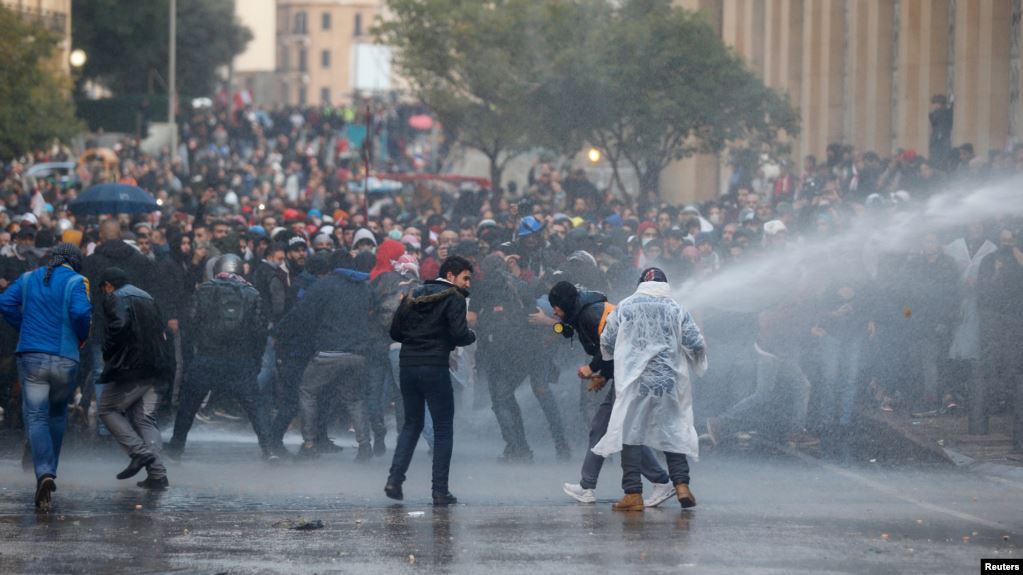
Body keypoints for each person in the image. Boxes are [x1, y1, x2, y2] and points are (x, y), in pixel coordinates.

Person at [549, 280, 677, 509]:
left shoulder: (590, 314)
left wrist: (593, 368)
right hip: (624, 373)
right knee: (601, 427)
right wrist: (605, 375)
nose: (554, 311)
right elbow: (611, 351)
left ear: (565, 303)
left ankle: (661, 481)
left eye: (556, 306)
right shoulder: (585, 312)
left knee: (623, 431)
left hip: (632, 374)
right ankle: (587, 486)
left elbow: (615, 345)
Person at [593, 268, 706, 511]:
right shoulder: (676, 308)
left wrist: (616, 355)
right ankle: (682, 485)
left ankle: (633, 494)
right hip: (669, 383)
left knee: (630, 434)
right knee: (673, 431)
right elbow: (696, 342)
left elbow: (607, 340)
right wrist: (695, 362)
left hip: (635, 383)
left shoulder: (625, 306)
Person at [0, 243, 91, 509]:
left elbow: (5, 302)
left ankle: (44, 472)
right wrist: (81, 336)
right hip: (65, 358)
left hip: (31, 357)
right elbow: (81, 313)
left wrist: (23, 325)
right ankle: (52, 469)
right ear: (74, 261)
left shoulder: (29, 278)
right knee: (57, 414)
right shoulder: (76, 281)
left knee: (36, 415)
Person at [385, 255, 476, 506]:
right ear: (450, 276)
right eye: (465, 278)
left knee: (411, 424)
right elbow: (459, 335)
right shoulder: (454, 297)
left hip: (408, 367)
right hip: (435, 367)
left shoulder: (414, 294)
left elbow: (395, 332)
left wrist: (417, 337)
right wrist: (470, 335)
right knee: (443, 428)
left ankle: (394, 480)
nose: (468, 283)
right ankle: (440, 491)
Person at [167, 255, 273, 461]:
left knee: (188, 405)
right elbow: (259, 332)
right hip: (240, 359)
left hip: (207, 357)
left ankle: (176, 448)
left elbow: (190, 323)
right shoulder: (252, 293)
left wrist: (194, 355)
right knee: (255, 406)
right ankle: (269, 450)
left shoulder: (204, 290)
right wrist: (256, 360)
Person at [96, 267, 172, 490]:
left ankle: (139, 453)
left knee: (107, 409)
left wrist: (108, 353)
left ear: (108, 285)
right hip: (158, 367)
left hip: (133, 368)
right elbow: (162, 331)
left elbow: (118, 327)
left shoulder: (115, 298)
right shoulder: (147, 296)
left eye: (103, 289)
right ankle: (158, 474)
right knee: (145, 419)